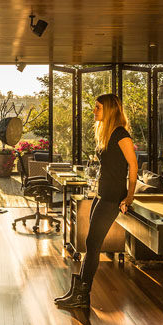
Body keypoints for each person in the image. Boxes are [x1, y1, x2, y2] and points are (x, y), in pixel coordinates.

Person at [55, 93, 137, 310]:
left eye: (98, 107)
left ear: (108, 110)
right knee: (90, 245)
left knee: (92, 245)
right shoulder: (108, 134)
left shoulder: (121, 135)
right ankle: (78, 291)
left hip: (111, 198)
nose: (94, 110)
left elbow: (133, 166)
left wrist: (129, 196)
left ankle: (82, 296)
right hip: (101, 195)